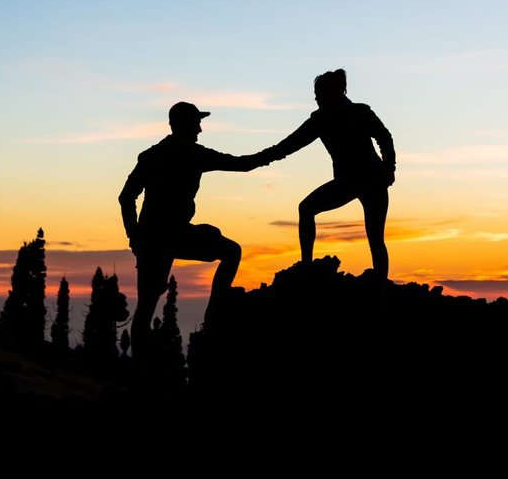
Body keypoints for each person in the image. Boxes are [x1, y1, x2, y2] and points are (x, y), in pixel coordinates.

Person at [119, 100, 271, 352]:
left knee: (145, 307)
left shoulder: (152, 156)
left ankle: (140, 375)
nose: (200, 129)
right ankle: (213, 316)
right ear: (184, 124)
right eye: (197, 123)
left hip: (154, 237)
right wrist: (274, 154)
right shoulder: (193, 154)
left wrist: (135, 236)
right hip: (168, 236)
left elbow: (126, 197)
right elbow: (242, 164)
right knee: (231, 251)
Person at [258, 69, 396, 277]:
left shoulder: (360, 112)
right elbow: (289, 144)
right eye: (316, 93)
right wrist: (260, 158)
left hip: (372, 181)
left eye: (319, 93)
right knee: (306, 208)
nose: (315, 98)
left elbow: (384, 137)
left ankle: (380, 289)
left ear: (336, 92)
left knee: (375, 239)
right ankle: (306, 266)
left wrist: (389, 169)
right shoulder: (320, 120)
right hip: (346, 182)